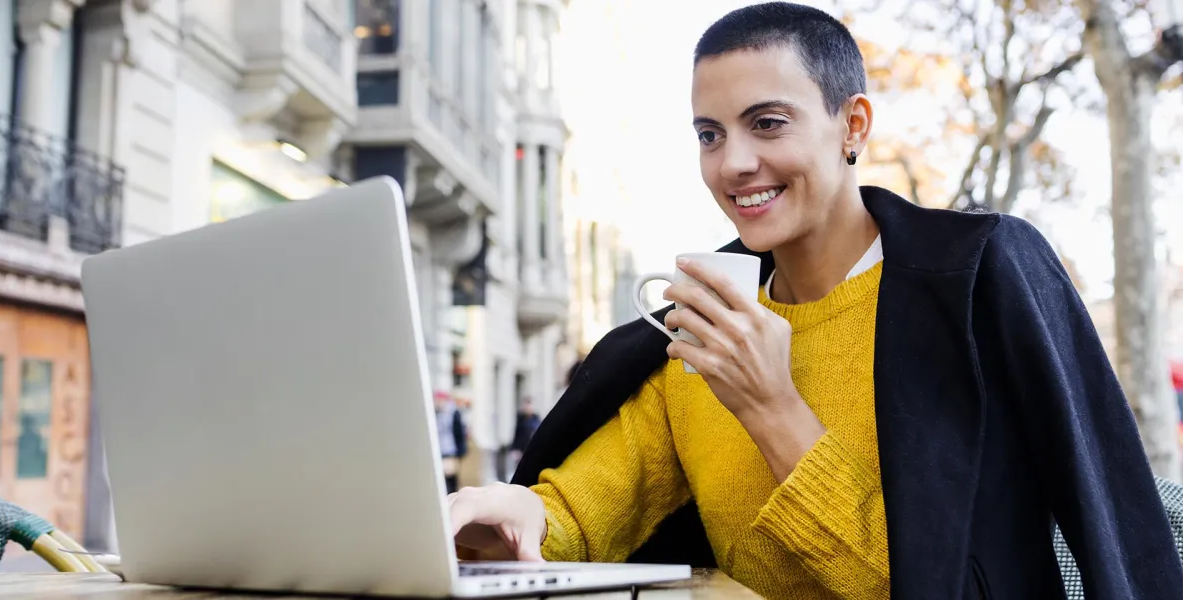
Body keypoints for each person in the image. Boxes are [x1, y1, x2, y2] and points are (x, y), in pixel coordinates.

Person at [447, 3, 1183, 598]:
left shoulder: (973, 289)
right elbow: (593, 505)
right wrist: (523, 512)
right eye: (710, 134)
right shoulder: (709, 320)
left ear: (852, 125)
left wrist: (771, 406)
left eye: (767, 123)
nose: (733, 163)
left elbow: (928, 582)